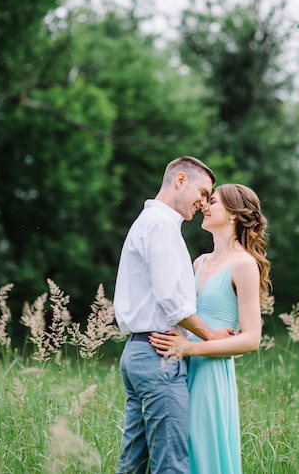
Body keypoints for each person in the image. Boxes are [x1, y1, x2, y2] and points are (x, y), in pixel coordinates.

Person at [113, 157, 234, 474]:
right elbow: (173, 302)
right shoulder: (162, 226)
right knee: (171, 465)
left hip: (137, 352)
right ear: (181, 179)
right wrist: (213, 337)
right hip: (158, 356)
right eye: (204, 192)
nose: (204, 203)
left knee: (133, 463)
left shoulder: (147, 221)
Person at [150, 183, 271, 474]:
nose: (204, 205)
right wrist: (183, 336)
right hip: (182, 368)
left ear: (233, 214)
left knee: (202, 453)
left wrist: (191, 347)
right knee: (178, 453)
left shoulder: (244, 265)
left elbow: (252, 339)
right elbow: (188, 315)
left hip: (210, 373)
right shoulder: (200, 262)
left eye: (212, 201)